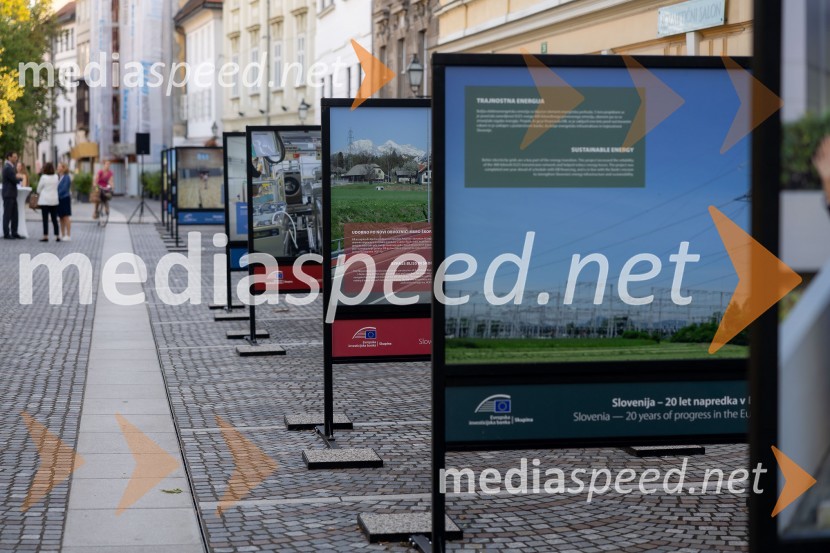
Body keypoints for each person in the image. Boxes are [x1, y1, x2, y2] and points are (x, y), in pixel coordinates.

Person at [37, 163, 60, 242]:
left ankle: (45, 236)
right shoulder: (56, 177)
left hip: (45, 200)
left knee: (45, 219)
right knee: (54, 219)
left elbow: (38, 189)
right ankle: (57, 235)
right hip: (54, 200)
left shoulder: (43, 177)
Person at [2, 151, 23, 239]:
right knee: (7, 214)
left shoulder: (11, 167)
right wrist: (20, 178)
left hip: (12, 194)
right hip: (8, 194)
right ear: (9, 157)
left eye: (16, 157)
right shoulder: (7, 167)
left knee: (15, 214)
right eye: (14, 157)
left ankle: (14, 232)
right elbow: (14, 179)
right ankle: (7, 233)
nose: (16, 159)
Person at [57, 163, 72, 241]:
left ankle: (68, 235)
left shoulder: (66, 177)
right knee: (61, 217)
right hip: (59, 199)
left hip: (64, 198)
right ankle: (62, 234)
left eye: (59, 166)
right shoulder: (59, 177)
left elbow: (65, 188)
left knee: (66, 217)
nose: (58, 168)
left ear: (63, 168)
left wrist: (57, 194)